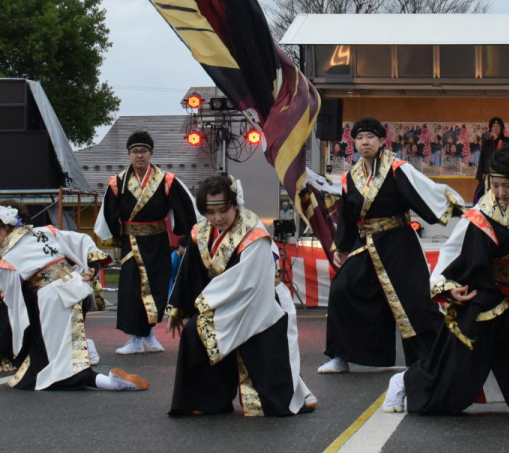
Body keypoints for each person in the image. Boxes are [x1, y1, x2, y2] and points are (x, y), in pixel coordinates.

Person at [390, 144, 509, 417]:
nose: (500, 192)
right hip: (485, 290)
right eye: (495, 185)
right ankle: (406, 382)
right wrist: (450, 286)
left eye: (507, 186)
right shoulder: (482, 214)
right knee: (460, 363)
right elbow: (462, 256)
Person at [320, 116, 465, 374]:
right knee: (342, 290)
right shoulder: (350, 178)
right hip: (366, 245)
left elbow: (425, 191)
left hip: (399, 243)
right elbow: (348, 218)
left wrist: (458, 208)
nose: (365, 142)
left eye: (370, 137)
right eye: (359, 138)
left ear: (381, 141)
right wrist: (340, 247)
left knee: (415, 300)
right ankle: (340, 355)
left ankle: (432, 356)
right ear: (354, 144)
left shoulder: (398, 169)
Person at [165, 175, 317, 416]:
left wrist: (207, 303)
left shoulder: (254, 233)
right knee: (194, 332)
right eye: (210, 212)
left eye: (222, 211)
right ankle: (207, 401)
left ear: (235, 204)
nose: (217, 218)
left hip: (260, 300)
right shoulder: (201, 231)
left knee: (260, 346)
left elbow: (246, 280)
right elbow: (190, 270)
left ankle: (288, 394)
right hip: (223, 300)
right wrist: (179, 308)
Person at [0, 201, 146, 391]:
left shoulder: (9, 257)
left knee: (59, 357)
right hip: (75, 287)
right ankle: (88, 353)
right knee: (59, 343)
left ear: (3, 227)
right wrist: (92, 267)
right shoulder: (45, 231)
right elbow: (82, 240)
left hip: (51, 298)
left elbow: (11, 302)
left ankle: (107, 381)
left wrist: (4, 348)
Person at [95, 130, 198, 356]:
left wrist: (185, 239)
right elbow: (109, 213)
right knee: (132, 289)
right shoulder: (118, 183)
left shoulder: (166, 180)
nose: (139, 155)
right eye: (135, 151)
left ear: (151, 153)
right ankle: (134, 338)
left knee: (157, 288)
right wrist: (116, 238)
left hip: (158, 242)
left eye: (143, 151)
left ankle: (150, 334)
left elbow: (186, 209)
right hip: (131, 243)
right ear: (128, 155)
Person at [473, 117, 509, 203]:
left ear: (501, 128)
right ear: (491, 128)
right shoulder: (487, 142)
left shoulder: (506, 141)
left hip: (502, 175)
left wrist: (497, 139)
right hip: (488, 176)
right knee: (480, 197)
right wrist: (480, 175)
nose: (495, 128)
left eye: (498, 126)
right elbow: (482, 158)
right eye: (493, 126)